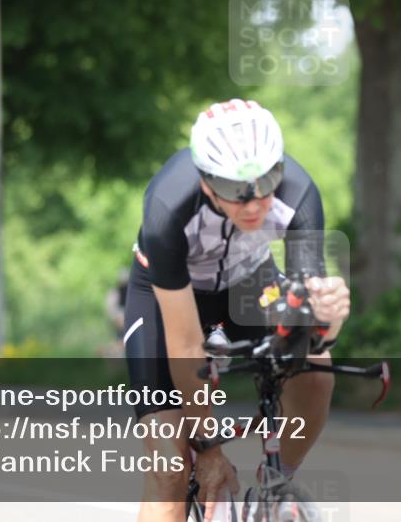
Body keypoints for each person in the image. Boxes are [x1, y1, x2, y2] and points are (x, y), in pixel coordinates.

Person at [123, 99, 350, 522]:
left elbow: (308, 321)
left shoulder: (299, 194)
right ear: (207, 183)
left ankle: (277, 481)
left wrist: (330, 319)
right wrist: (207, 448)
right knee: (170, 465)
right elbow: (187, 344)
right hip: (168, 296)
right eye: (234, 191)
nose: (254, 204)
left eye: (267, 182)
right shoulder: (168, 207)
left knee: (317, 368)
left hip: (249, 281)